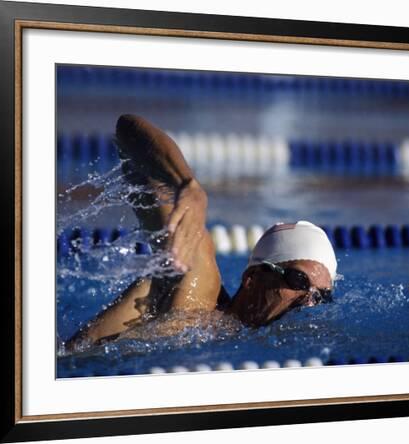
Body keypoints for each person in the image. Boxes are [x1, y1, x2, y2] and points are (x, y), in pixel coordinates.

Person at [65, 114, 336, 350]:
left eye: (322, 296)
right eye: (299, 281)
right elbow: (127, 130)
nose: (309, 300)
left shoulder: (245, 343)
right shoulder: (198, 282)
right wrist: (187, 184)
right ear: (253, 277)